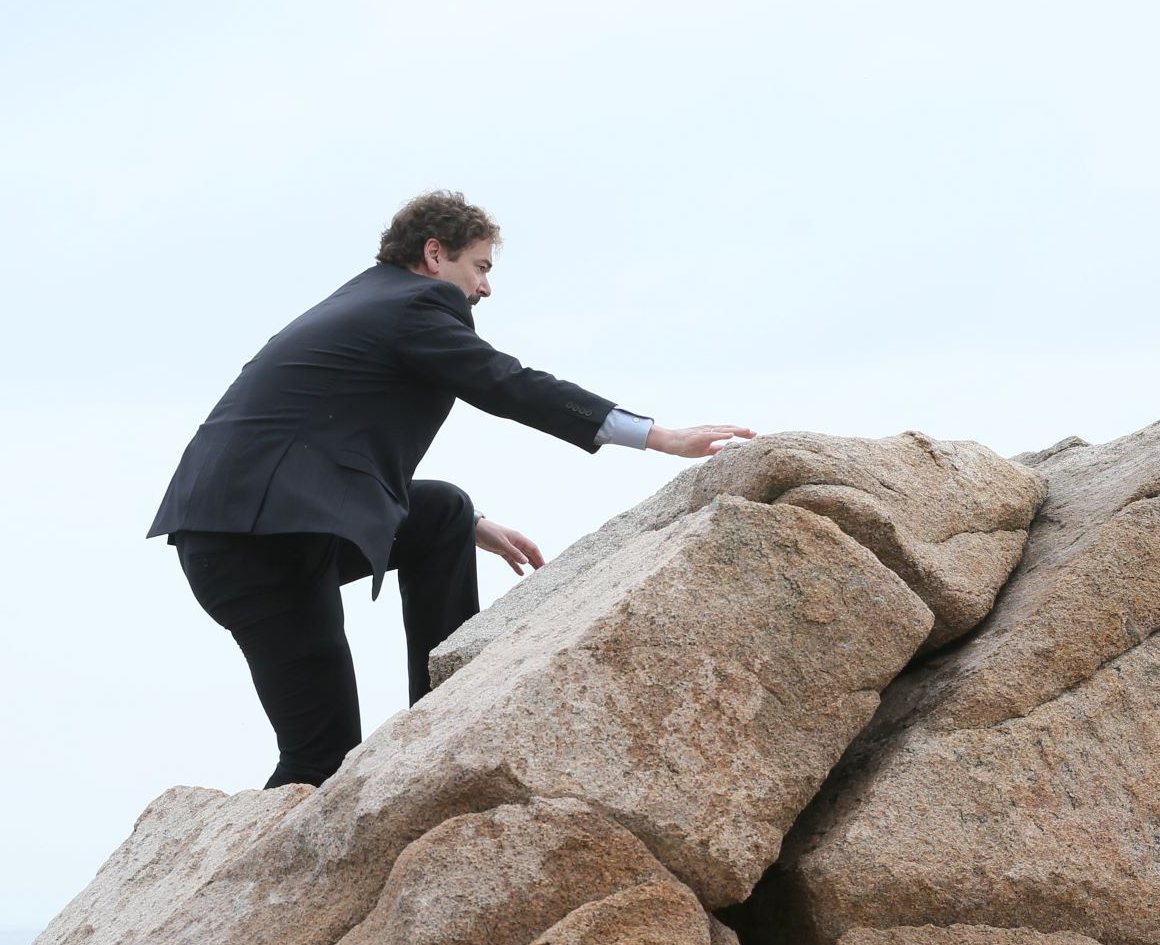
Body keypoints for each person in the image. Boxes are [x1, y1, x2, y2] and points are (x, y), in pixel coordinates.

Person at [151, 190, 754, 788]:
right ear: (435, 254)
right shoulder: (417, 304)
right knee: (319, 760)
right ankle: (293, 838)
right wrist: (657, 436)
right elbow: (508, 383)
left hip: (256, 527)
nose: (485, 288)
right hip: (261, 545)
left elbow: (314, 442)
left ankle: (441, 708)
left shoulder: (369, 299)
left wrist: (471, 526)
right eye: (481, 267)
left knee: (443, 511)